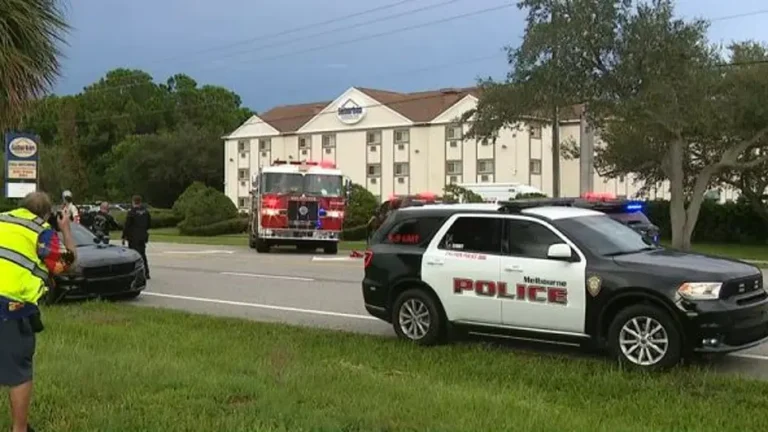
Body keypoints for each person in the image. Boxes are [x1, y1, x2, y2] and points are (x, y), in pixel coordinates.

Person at [0, 192, 77, 432]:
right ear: (46, 214)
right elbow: (67, 265)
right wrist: (65, 230)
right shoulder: (42, 232)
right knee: (19, 371)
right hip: (11, 309)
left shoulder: (2, 219)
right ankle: (19, 429)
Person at [122, 195, 151, 279]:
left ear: (133, 201)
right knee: (143, 254)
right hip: (143, 236)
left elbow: (127, 225)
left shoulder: (132, 212)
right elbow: (149, 224)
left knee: (134, 256)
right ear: (140, 202)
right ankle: (146, 272)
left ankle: (136, 273)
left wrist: (124, 236)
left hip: (133, 237)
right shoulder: (146, 212)